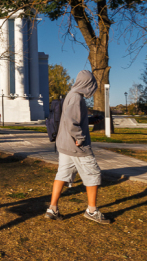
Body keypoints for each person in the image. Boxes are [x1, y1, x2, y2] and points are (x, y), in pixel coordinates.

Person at [45, 69, 110, 225]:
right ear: (87, 84)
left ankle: (52, 209)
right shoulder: (76, 98)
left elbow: (73, 118)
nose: (92, 89)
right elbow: (69, 120)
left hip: (64, 145)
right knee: (93, 174)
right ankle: (92, 211)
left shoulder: (71, 94)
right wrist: (80, 138)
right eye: (91, 85)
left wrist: (89, 120)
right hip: (76, 146)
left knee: (62, 174)